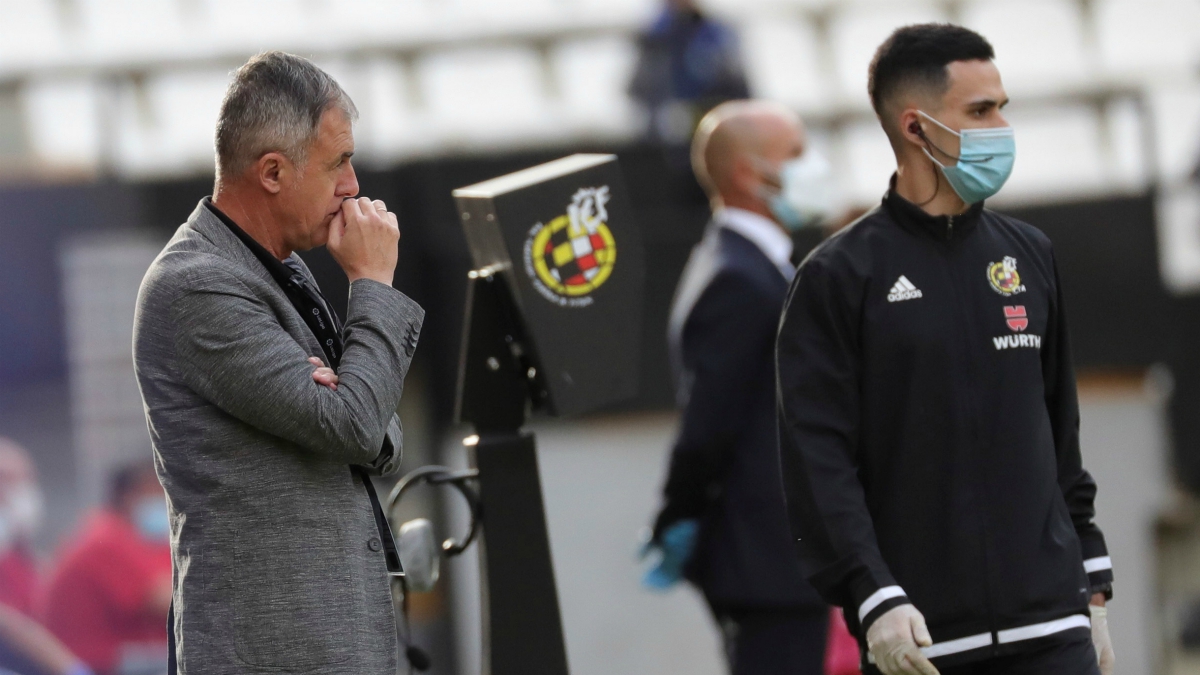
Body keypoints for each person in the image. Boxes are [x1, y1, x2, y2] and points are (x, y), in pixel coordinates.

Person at [775, 24, 1115, 675]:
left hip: (1054, 629)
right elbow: (818, 458)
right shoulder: (836, 278)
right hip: (924, 640)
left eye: (1002, 105)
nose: (1002, 125)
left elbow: (1058, 422)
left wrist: (1090, 567)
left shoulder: (1029, 253)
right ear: (916, 127)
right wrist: (871, 590)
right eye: (981, 110)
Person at [132, 51, 423, 674]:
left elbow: (376, 433)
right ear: (272, 172)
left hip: (329, 648)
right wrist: (374, 285)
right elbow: (356, 424)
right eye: (339, 163)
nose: (353, 186)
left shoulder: (281, 268)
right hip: (267, 654)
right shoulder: (195, 286)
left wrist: (352, 402)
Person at [644, 100, 834, 675]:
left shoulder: (755, 266)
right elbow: (707, 426)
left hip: (779, 563)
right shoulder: (738, 279)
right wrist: (674, 516)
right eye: (796, 155)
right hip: (768, 566)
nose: (813, 166)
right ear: (751, 174)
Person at [39, 462, 170, 675]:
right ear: (129, 495)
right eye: (158, 490)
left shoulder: (141, 537)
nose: (168, 498)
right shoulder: (105, 536)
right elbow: (170, 602)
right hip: (94, 663)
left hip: (128, 655)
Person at [628, 0, 749, 145]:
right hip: (664, 144)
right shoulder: (654, 37)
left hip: (713, 136)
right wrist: (664, 112)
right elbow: (637, 88)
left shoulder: (717, 34)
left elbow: (739, 90)